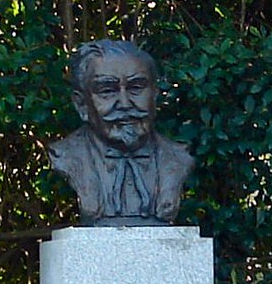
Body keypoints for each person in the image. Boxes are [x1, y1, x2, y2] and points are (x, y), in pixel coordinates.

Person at [48, 39, 194, 225]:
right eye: (107, 91)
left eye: (136, 88)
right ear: (81, 104)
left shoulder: (177, 159)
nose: (124, 103)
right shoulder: (66, 156)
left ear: (155, 94)